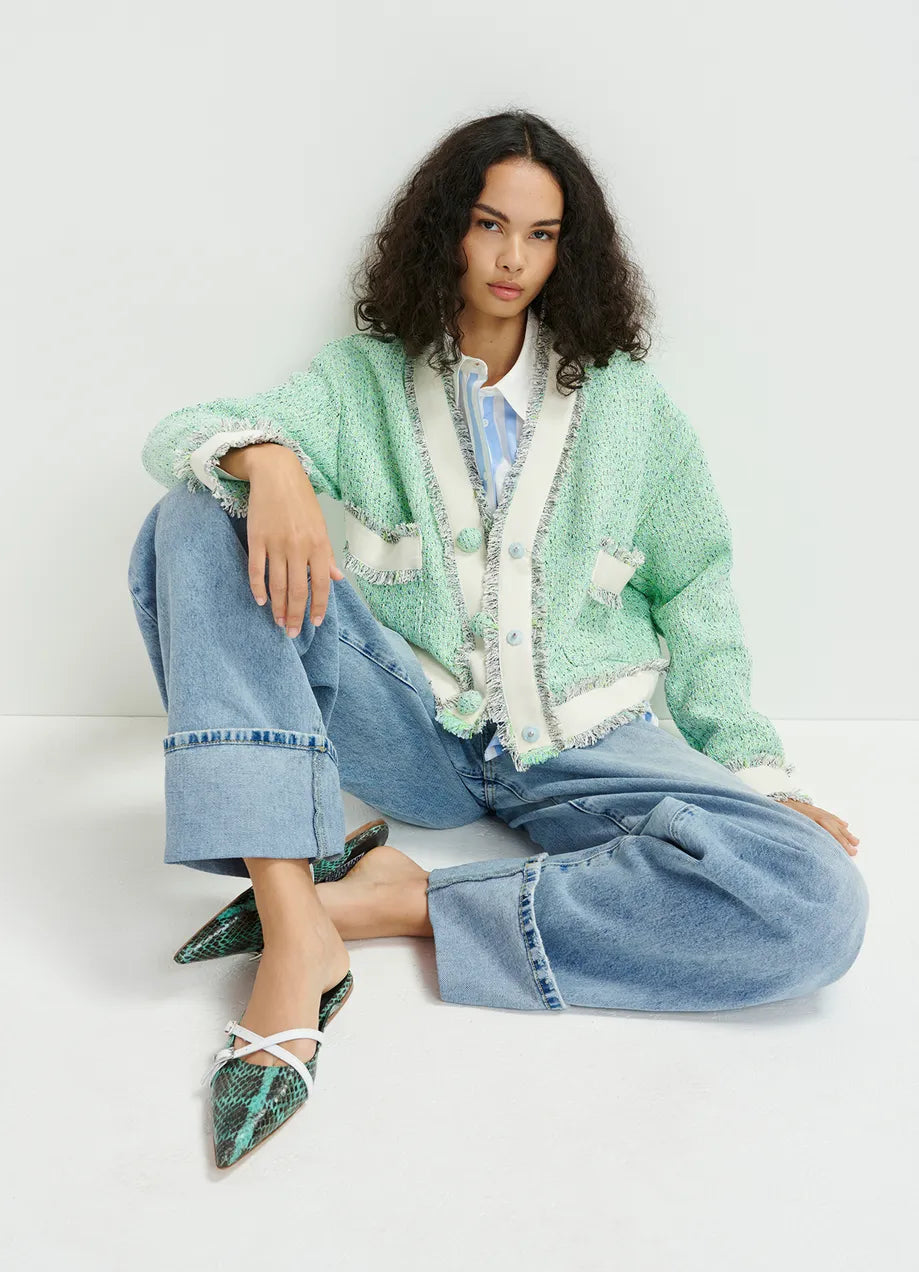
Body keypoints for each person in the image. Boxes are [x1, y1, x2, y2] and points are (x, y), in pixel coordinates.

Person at [128, 108, 867, 1169]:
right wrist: (269, 461)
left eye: (542, 233)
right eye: (489, 224)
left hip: (587, 744)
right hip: (413, 732)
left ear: (571, 250)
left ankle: (398, 901)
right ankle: (296, 927)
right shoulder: (365, 380)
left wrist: (751, 768)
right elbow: (181, 433)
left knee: (817, 908)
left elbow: (697, 583)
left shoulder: (625, 409)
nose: (513, 257)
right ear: (448, 232)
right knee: (196, 511)